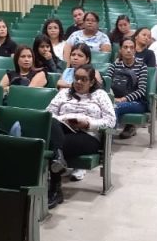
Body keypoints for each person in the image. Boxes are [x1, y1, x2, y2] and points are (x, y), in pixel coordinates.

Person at [46, 64, 116, 206]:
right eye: (76, 78)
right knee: (52, 122)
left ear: (91, 82)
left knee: (53, 145)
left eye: (83, 79)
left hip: (87, 135)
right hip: (62, 129)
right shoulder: (64, 93)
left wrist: (89, 124)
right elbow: (48, 112)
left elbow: (111, 121)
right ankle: (58, 160)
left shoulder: (100, 95)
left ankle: (55, 188)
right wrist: (62, 119)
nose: (78, 82)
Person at [105, 37, 148, 139]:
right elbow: (106, 85)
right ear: (120, 50)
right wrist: (113, 98)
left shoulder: (142, 66)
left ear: (135, 50)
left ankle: (108, 141)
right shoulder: (114, 66)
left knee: (115, 107)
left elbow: (141, 90)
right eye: (125, 47)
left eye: (131, 47)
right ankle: (102, 135)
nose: (128, 50)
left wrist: (123, 99)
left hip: (137, 102)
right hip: (115, 99)